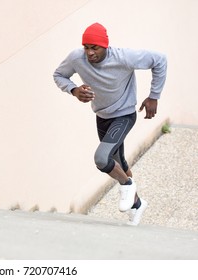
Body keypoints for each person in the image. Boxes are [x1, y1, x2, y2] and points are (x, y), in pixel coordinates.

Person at [53, 22, 167, 226]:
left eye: (94, 47)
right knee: (119, 164)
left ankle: (127, 185)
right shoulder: (76, 58)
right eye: (86, 47)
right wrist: (74, 90)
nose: (89, 53)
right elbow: (59, 75)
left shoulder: (124, 57)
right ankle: (137, 204)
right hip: (102, 116)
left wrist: (154, 96)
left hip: (124, 115)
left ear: (105, 46)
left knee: (101, 158)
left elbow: (160, 60)